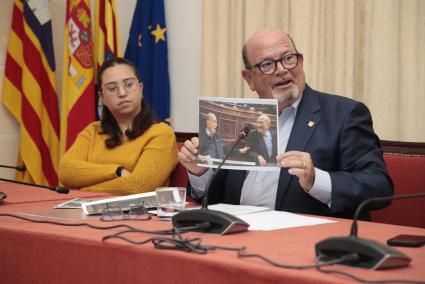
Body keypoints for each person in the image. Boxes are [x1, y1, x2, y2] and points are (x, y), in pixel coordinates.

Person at [178, 28, 393, 219]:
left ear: (300, 62)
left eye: (288, 58)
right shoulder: (241, 119)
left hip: (307, 245)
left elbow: (379, 187)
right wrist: (201, 173)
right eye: (267, 64)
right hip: (237, 239)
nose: (281, 69)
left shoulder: (344, 114)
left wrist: (316, 179)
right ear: (249, 79)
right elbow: (216, 199)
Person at [59, 57, 178, 196]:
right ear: (102, 97)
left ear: (140, 89)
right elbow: (66, 171)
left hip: (136, 215)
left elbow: (137, 187)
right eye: (112, 88)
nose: (122, 93)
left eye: (129, 85)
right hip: (84, 213)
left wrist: (81, 191)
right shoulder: (93, 131)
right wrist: (117, 171)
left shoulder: (161, 133)